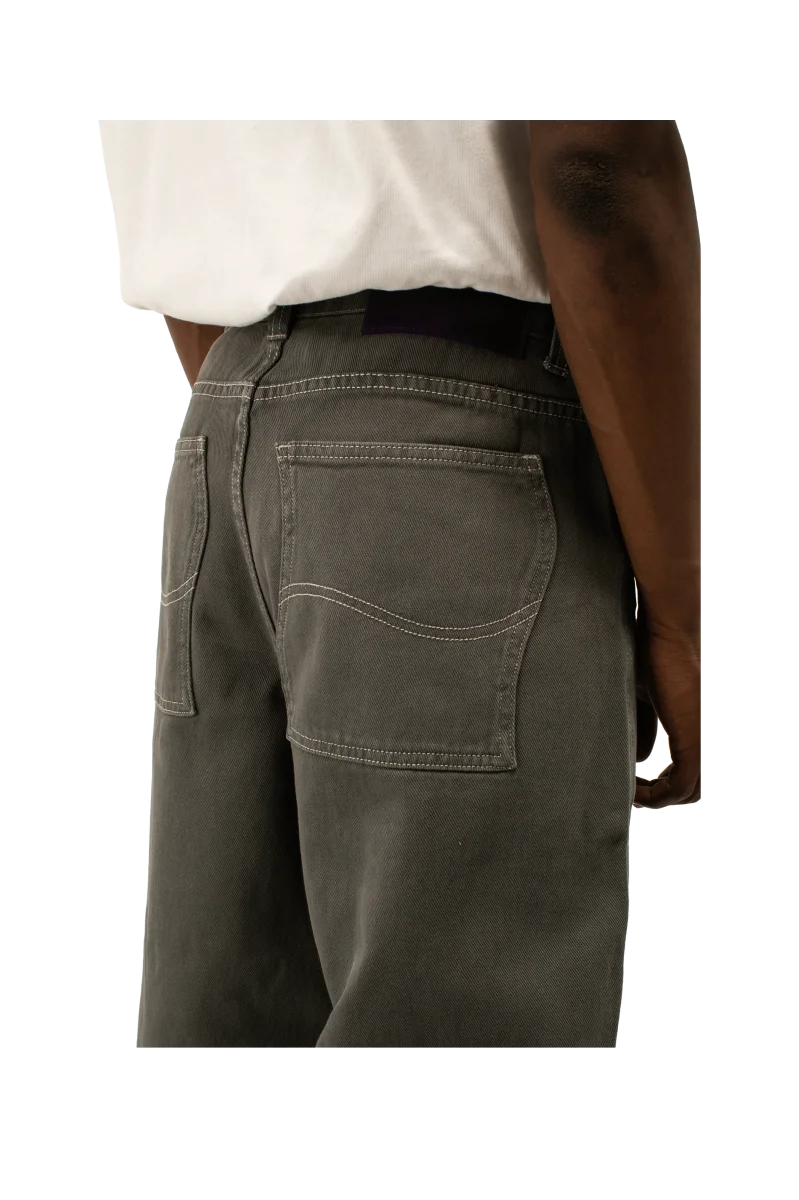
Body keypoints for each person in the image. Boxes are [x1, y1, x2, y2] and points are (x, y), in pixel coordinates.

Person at [100, 119, 702, 1049]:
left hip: (226, 427)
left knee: (233, 1017)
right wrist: (682, 610)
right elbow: (597, 162)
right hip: (454, 435)